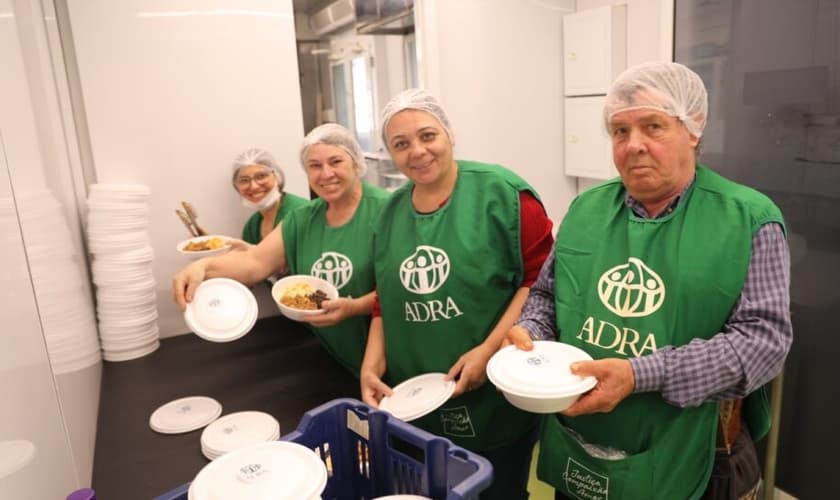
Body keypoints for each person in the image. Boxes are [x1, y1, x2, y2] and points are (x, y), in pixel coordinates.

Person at [506, 61, 792, 500]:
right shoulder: (585, 212)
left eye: (653, 126)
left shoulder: (750, 220)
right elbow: (546, 294)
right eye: (620, 131)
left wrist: (641, 375)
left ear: (693, 130)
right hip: (582, 441)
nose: (633, 145)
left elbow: (762, 343)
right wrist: (531, 331)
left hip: (696, 453)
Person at [360, 89, 555, 500]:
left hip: (492, 395)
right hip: (415, 396)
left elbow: (539, 280)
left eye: (427, 135)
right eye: (401, 144)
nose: (417, 151)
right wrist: (371, 362)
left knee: (498, 489)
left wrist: (488, 350)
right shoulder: (390, 214)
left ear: (449, 133)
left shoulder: (503, 194)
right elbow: (385, 297)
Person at [173, 124, 391, 376]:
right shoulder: (302, 219)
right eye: (314, 166)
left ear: (356, 162)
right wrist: (202, 266)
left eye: (336, 161)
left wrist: (355, 307)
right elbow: (254, 262)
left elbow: (403, 288)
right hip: (339, 354)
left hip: (390, 357)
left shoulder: (387, 210)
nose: (326, 173)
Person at [231, 148, 309, 245]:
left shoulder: (302, 212)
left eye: (261, 176)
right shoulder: (252, 226)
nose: (254, 186)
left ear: (277, 176)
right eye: (244, 180)